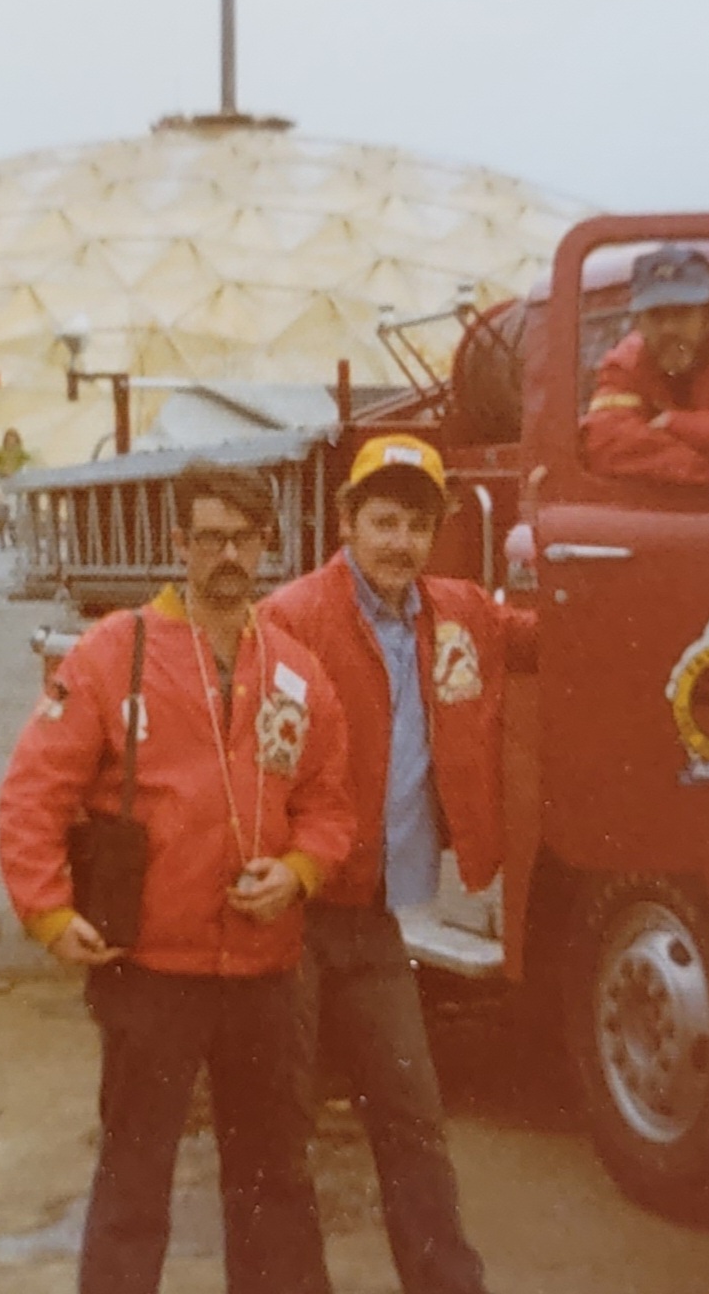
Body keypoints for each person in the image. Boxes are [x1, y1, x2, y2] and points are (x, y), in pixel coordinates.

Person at [0, 460, 354, 1294]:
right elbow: (32, 791)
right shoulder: (112, 654)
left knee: (274, 1181)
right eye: (210, 538)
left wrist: (298, 870)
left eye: (244, 539)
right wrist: (47, 911)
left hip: (264, 972)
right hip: (150, 971)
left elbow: (330, 802)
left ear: (266, 546)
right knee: (134, 1177)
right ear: (179, 543)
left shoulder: (294, 670)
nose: (228, 555)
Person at [258, 434, 534, 1294]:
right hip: (294, 916)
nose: (400, 543)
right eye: (383, 521)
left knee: (412, 1115)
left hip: (376, 919)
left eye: (417, 525)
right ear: (345, 523)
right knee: (277, 1125)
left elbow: (552, 633)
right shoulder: (291, 619)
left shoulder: (460, 613)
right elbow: (258, 767)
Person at [580, 243, 709, 485]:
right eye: (656, 315)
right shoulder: (625, 364)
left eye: (681, 313)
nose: (668, 329)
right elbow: (606, 440)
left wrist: (675, 423)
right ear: (639, 323)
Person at [0, 427, 32, 548]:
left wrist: (20, 473)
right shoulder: (0, 451)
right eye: (9, 438)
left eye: (13, 438)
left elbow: (28, 461)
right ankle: (2, 537)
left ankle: (14, 535)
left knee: (16, 510)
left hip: (16, 483)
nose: (11, 441)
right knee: (3, 510)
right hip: (4, 482)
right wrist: (2, 471)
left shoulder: (20, 452)